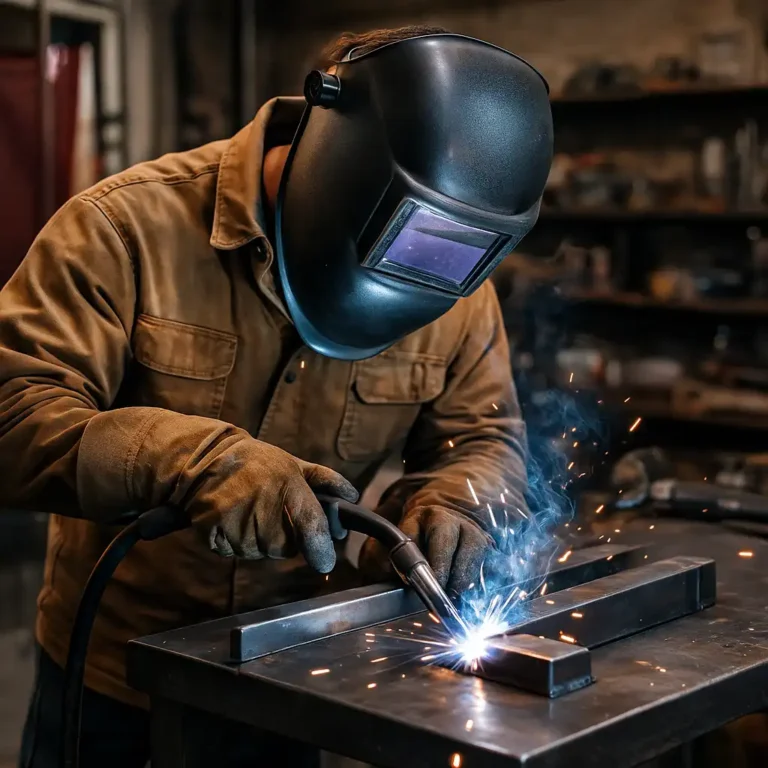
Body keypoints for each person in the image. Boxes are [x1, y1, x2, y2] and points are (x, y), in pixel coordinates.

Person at [0, 25, 552, 768]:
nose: (425, 266)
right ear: (336, 162)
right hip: (117, 676)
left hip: (300, 674)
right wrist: (191, 460)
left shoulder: (456, 283)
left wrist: (458, 499)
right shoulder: (124, 227)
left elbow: (484, 435)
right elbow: (13, 409)